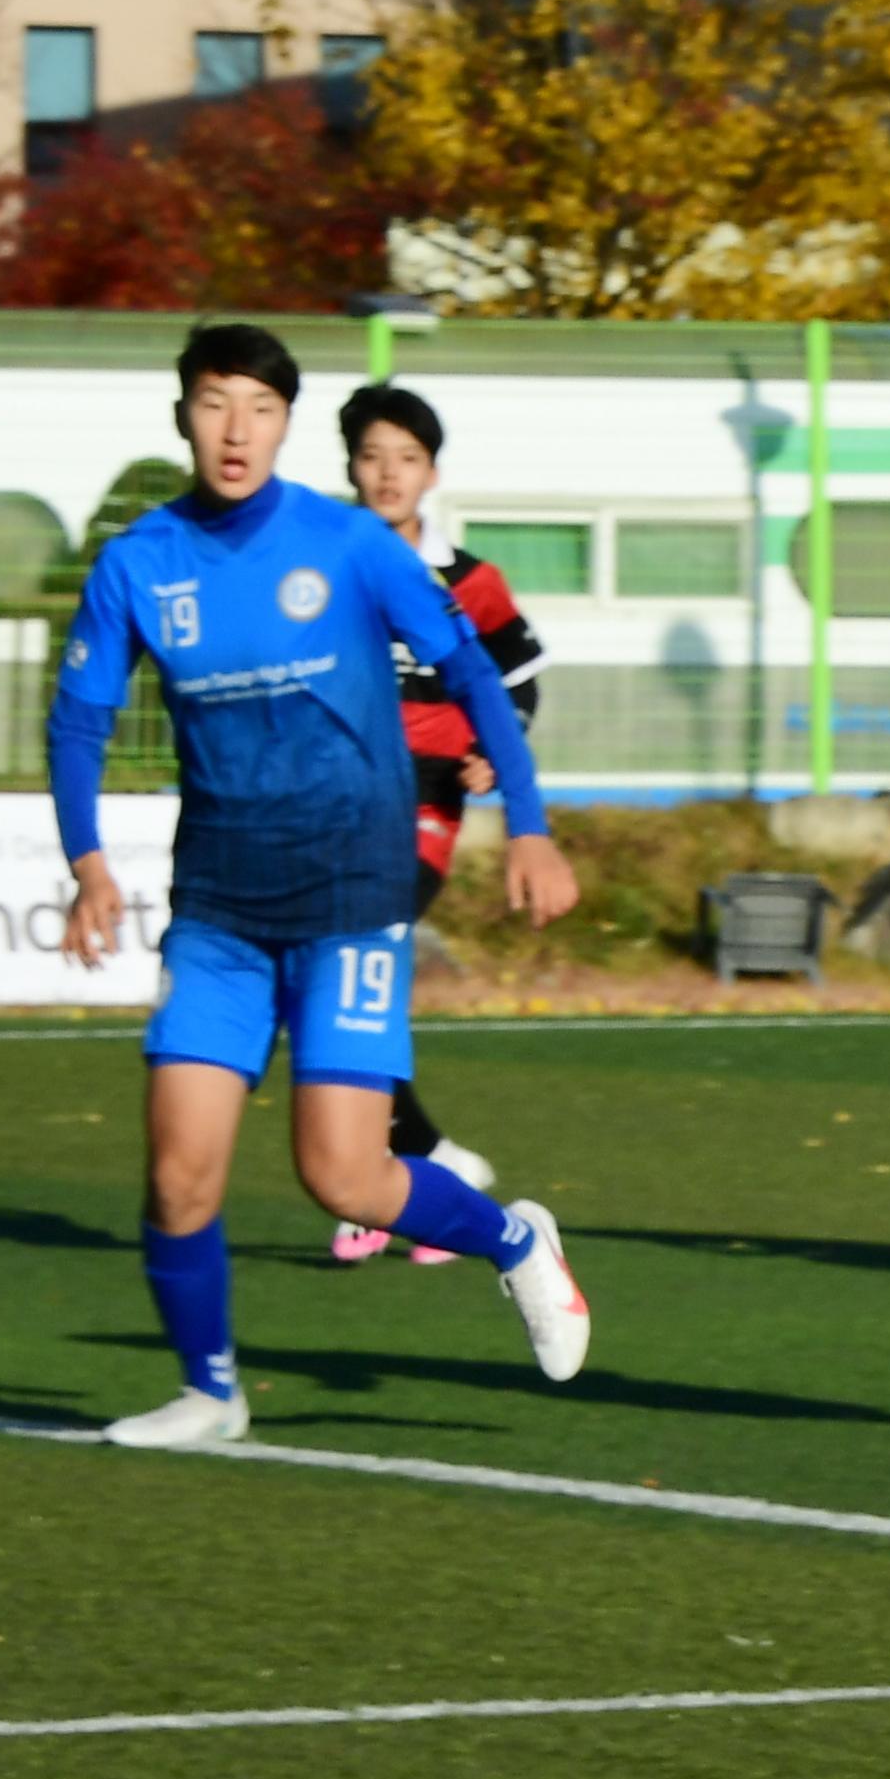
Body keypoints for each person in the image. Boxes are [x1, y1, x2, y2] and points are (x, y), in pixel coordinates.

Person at [48, 322, 593, 1443]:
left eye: (258, 406)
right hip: (219, 912)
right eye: (213, 403)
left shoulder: (349, 544)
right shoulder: (139, 561)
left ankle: (515, 1240)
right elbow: (78, 717)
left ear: (286, 423)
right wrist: (87, 862)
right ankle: (211, 1392)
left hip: (349, 893)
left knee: (344, 1179)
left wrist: (530, 827)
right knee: (178, 1178)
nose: (235, 428)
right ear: (183, 416)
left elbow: (477, 678)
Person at [322, 380, 549, 1266]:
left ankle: (399, 1169)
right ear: (351, 465)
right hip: (332, 804)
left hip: (423, 804)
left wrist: (503, 750)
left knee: (351, 956)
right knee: (326, 980)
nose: (388, 474)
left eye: (406, 459)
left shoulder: (469, 579)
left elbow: (518, 681)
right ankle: (413, 1163)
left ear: (431, 472)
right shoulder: (323, 565)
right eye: (373, 457)